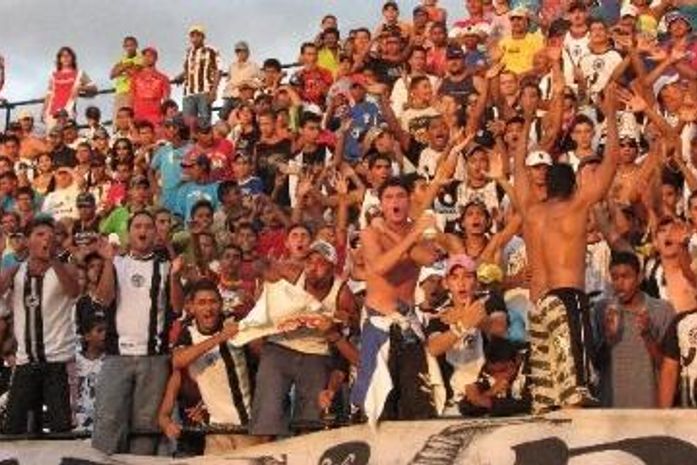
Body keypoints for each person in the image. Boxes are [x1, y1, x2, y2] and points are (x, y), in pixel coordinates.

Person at [520, 87, 619, 414]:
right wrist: (611, 116)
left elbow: (518, 170)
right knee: (575, 393)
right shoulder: (577, 206)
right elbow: (611, 165)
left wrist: (526, 121)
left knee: (546, 398)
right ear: (574, 186)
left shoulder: (532, 212)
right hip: (566, 299)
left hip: (538, 304)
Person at [92, 211, 184, 455]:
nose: (143, 231)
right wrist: (108, 262)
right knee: (108, 422)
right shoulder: (116, 263)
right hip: (117, 357)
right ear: (128, 233)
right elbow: (104, 298)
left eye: (148, 226)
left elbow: (177, 308)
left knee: (147, 428)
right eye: (138, 226)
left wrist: (176, 277)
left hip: (153, 358)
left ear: (155, 233)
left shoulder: (166, 267)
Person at [351, 177, 441, 422]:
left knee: (418, 403)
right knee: (378, 406)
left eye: (400, 196)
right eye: (389, 197)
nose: (395, 202)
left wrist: (390, 232)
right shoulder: (370, 233)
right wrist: (405, 236)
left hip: (408, 321)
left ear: (409, 200)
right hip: (378, 323)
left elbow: (427, 258)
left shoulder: (419, 231)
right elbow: (380, 267)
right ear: (381, 204)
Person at [250, 240, 358, 437]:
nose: (312, 267)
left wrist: (340, 322)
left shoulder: (342, 294)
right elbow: (259, 265)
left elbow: (351, 335)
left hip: (316, 352)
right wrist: (266, 279)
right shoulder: (293, 273)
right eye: (309, 261)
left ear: (333, 268)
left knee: (311, 422)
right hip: (280, 344)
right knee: (267, 415)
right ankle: (266, 450)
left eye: (320, 262)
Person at [159, 279, 259, 454]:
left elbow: (261, 352)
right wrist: (167, 424)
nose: (208, 308)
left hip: (247, 428)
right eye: (202, 303)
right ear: (191, 307)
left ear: (221, 304)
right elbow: (178, 361)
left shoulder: (235, 324)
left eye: (213, 302)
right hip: (215, 433)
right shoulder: (188, 334)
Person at [0, 216, 80, 434]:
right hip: (26, 362)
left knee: (60, 429)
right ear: (27, 241)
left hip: (58, 362)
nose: (47, 239)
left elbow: (73, 291)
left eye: (51, 236)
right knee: (13, 429)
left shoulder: (65, 269)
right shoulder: (16, 272)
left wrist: (54, 260)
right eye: (40, 235)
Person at [592, 251, 674, 408]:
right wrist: (608, 338)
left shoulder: (662, 310)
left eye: (626, 276)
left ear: (640, 277)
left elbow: (668, 369)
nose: (619, 283)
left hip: (648, 408)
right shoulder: (602, 310)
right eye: (615, 277)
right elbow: (595, 365)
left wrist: (647, 335)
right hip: (610, 409)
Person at [176, 25, 222, 126]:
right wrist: (180, 76)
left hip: (204, 91)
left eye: (198, 35)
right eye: (192, 36)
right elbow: (188, 69)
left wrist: (214, 91)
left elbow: (218, 70)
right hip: (188, 92)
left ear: (203, 37)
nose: (195, 38)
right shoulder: (189, 52)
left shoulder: (211, 50)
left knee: (204, 122)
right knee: (188, 122)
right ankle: (192, 136)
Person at [42, 46, 97, 129]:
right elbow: (49, 94)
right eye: (62, 56)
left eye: (68, 55)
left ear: (72, 58)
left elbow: (94, 88)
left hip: (68, 113)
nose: (65, 58)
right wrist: (43, 111)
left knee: (68, 134)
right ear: (59, 59)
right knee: (52, 135)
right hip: (52, 114)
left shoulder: (79, 73)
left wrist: (80, 88)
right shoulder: (53, 74)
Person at [221, 41, 262, 121]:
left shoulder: (253, 66)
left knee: (240, 114)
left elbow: (262, 80)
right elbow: (229, 81)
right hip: (231, 95)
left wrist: (249, 85)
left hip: (244, 96)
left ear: (247, 52)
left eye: (243, 51)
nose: (240, 53)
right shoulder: (232, 66)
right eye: (238, 51)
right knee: (223, 115)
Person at [130, 46, 170, 127]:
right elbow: (131, 97)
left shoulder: (163, 78)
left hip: (156, 115)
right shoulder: (135, 77)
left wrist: (164, 117)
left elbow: (166, 100)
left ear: (156, 58)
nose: (147, 58)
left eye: (150, 56)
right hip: (138, 115)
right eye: (145, 56)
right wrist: (131, 116)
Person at [110, 36, 142, 121]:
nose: (129, 48)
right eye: (127, 46)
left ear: (136, 45)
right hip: (120, 92)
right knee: (117, 118)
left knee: (129, 117)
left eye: (131, 45)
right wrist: (126, 65)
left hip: (131, 91)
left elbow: (134, 72)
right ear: (124, 47)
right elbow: (112, 75)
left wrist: (121, 68)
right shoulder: (122, 58)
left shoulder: (140, 58)